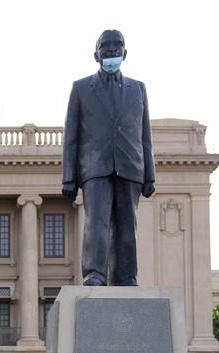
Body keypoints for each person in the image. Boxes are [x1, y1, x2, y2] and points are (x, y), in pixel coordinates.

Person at [62, 29, 155, 286]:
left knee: (127, 225)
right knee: (97, 222)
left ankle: (126, 276)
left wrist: (150, 175)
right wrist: (68, 177)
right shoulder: (81, 88)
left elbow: (145, 135)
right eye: (106, 46)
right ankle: (95, 273)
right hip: (95, 166)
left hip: (130, 166)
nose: (112, 50)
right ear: (96, 54)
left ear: (125, 53)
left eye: (117, 46)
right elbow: (71, 137)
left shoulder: (138, 89)